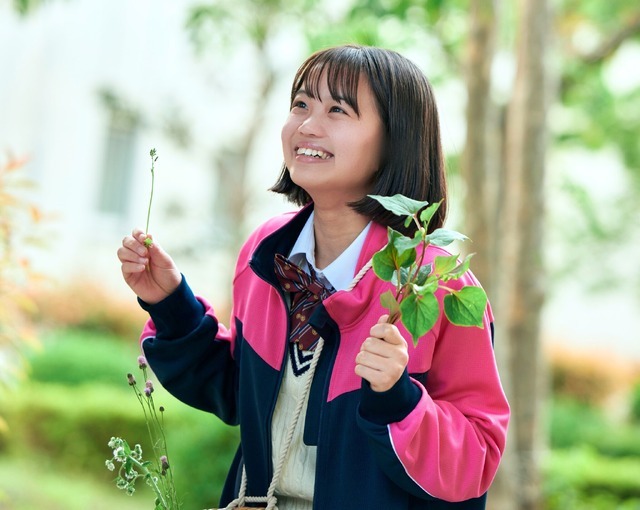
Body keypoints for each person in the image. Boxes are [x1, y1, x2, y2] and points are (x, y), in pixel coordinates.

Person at [117, 44, 510, 510]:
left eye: (337, 110)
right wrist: (171, 305)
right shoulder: (266, 254)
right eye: (301, 104)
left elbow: (477, 459)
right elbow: (239, 393)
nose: (307, 125)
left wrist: (398, 398)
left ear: (395, 141)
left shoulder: (435, 286)